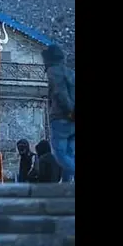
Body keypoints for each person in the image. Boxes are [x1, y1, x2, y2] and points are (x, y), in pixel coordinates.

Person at [42, 44, 75, 182]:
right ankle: (67, 184)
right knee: (70, 152)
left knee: (60, 153)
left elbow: (59, 92)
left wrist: (70, 111)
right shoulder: (70, 72)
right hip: (71, 118)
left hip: (62, 116)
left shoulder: (54, 71)